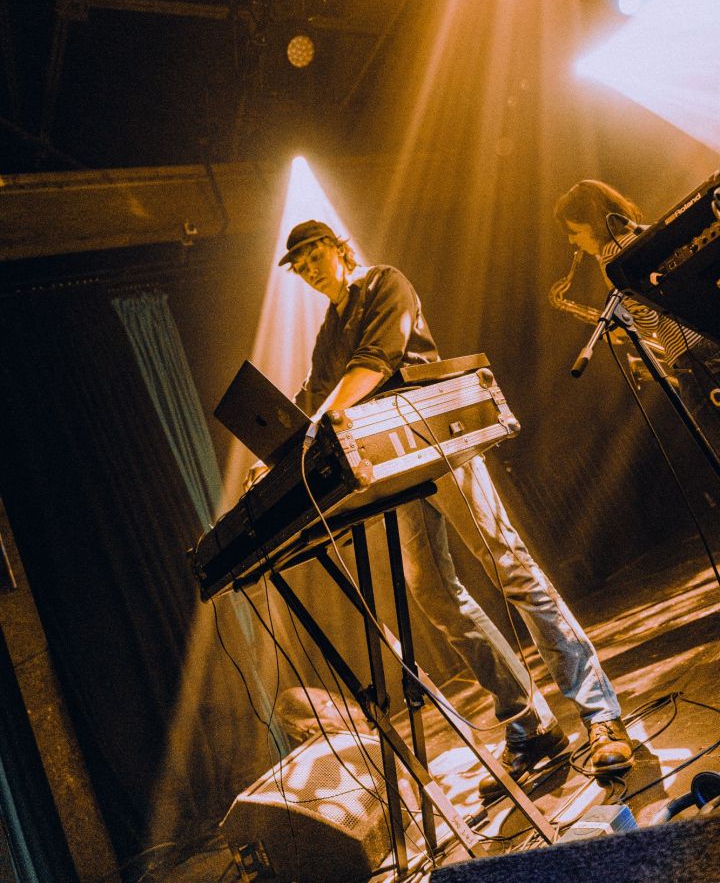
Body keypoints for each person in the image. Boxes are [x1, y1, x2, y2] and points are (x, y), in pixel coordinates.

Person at [248, 219, 633, 796]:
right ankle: (529, 725)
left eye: (311, 256)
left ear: (337, 249)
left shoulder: (385, 283)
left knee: (509, 567)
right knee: (431, 591)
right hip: (393, 461)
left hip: (435, 436)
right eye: (298, 267)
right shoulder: (329, 330)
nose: (306, 270)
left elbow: (375, 361)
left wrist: (311, 431)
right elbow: (313, 396)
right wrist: (277, 458)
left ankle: (601, 714)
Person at [553, 179, 720, 454]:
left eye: (574, 231)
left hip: (694, 356)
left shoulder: (613, 257)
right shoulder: (643, 237)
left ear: (591, 223)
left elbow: (648, 319)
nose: (572, 240)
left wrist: (621, 329)